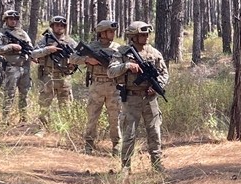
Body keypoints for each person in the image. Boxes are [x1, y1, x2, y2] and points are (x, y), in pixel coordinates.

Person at [109, 21, 169, 174]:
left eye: (147, 34)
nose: (146, 37)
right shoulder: (122, 53)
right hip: (131, 99)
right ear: (133, 36)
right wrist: (127, 66)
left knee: (155, 132)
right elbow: (111, 72)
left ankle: (157, 164)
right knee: (129, 134)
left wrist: (157, 87)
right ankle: (126, 167)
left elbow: (164, 73)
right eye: (142, 34)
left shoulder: (154, 53)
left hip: (150, 99)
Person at [71, 20, 121, 155]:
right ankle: (88, 144)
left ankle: (117, 146)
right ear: (102, 33)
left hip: (113, 86)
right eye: (110, 31)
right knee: (92, 117)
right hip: (96, 85)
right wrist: (87, 60)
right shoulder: (92, 47)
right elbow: (72, 58)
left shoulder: (118, 47)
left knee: (115, 117)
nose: (112, 34)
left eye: (113, 31)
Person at [31, 15, 79, 117]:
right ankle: (43, 128)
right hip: (49, 77)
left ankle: (64, 129)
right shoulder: (45, 40)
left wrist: (73, 62)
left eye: (62, 25)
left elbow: (80, 56)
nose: (59, 27)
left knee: (66, 106)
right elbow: (33, 54)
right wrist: (48, 49)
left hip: (64, 77)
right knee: (44, 105)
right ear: (52, 26)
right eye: (57, 25)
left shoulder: (70, 42)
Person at [0, 9, 33, 121]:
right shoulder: (1, 34)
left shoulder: (22, 33)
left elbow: (30, 47)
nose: (13, 21)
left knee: (24, 94)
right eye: (11, 19)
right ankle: (5, 119)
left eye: (15, 19)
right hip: (11, 67)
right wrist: (11, 46)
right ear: (6, 20)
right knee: (9, 93)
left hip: (24, 67)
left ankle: (24, 117)